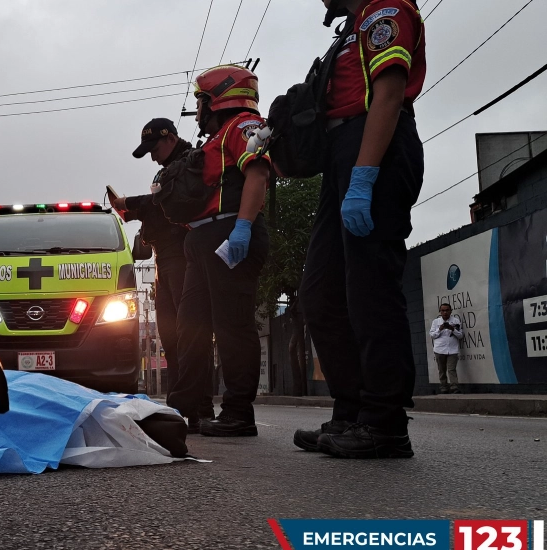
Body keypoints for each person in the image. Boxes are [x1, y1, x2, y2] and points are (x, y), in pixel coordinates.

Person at [293, 0, 426, 458]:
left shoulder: (384, 8)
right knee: (319, 292)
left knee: (370, 287)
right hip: (340, 155)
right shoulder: (349, 29)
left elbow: (388, 95)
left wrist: (364, 176)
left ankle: (384, 422)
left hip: (375, 145)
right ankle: (350, 410)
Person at [160, 65, 271, 437]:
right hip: (202, 240)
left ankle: (239, 411)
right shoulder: (216, 138)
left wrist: (243, 227)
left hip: (230, 232)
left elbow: (257, 174)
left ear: (221, 96)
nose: (199, 109)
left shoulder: (244, 126)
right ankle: (185, 407)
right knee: (190, 327)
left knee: (233, 326)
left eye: (202, 100)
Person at [111, 118, 212, 431]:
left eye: (154, 148)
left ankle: (199, 406)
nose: (153, 155)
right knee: (170, 335)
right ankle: (183, 406)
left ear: (170, 138)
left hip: (183, 256)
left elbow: (160, 205)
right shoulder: (166, 170)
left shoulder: (189, 163)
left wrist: (130, 205)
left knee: (190, 334)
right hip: (162, 260)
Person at [429, 303, 463, 394]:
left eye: (447, 310)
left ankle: (454, 387)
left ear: (451, 311)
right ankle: (444, 387)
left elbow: (460, 336)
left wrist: (453, 329)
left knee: (451, 369)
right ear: (440, 312)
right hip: (439, 349)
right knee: (442, 369)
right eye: (443, 310)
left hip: (452, 349)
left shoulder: (456, 321)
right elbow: (432, 335)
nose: (445, 312)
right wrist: (440, 329)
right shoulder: (436, 322)